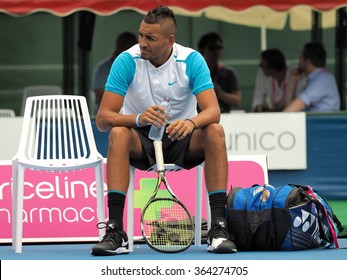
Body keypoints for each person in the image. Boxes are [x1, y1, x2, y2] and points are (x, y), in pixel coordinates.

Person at [91, 6, 236, 256]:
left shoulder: (191, 60)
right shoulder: (126, 61)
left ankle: (219, 228)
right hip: (141, 139)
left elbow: (213, 111)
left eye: (150, 38)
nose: (142, 43)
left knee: (214, 130)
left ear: (170, 41)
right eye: (141, 35)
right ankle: (115, 230)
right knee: (117, 133)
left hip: (182, 138)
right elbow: (103, 120)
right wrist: (138, 118)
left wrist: (191, 123)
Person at [283, 42, 340, 112]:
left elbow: (297, 105)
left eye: (301, 58)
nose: (299, 62)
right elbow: (289, 106)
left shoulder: (323, 79)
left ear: (308, 62)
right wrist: (293, 80)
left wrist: (279, 120)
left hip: (321, 122)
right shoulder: (315, 79)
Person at [91, 31, 137, 114]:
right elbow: (100, 97)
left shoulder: (142, 66)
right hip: (112, 114)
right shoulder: (102, 69)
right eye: (127, 46)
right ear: (120, 46)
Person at [198, 32, 241, 113]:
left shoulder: (229, 73)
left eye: (219, 48)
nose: (216, 51)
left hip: (224, 115)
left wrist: (220, 93)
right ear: (202, 50)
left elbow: (237, 101)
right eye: (212, 48)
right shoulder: (196, 72)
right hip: (200, 116)